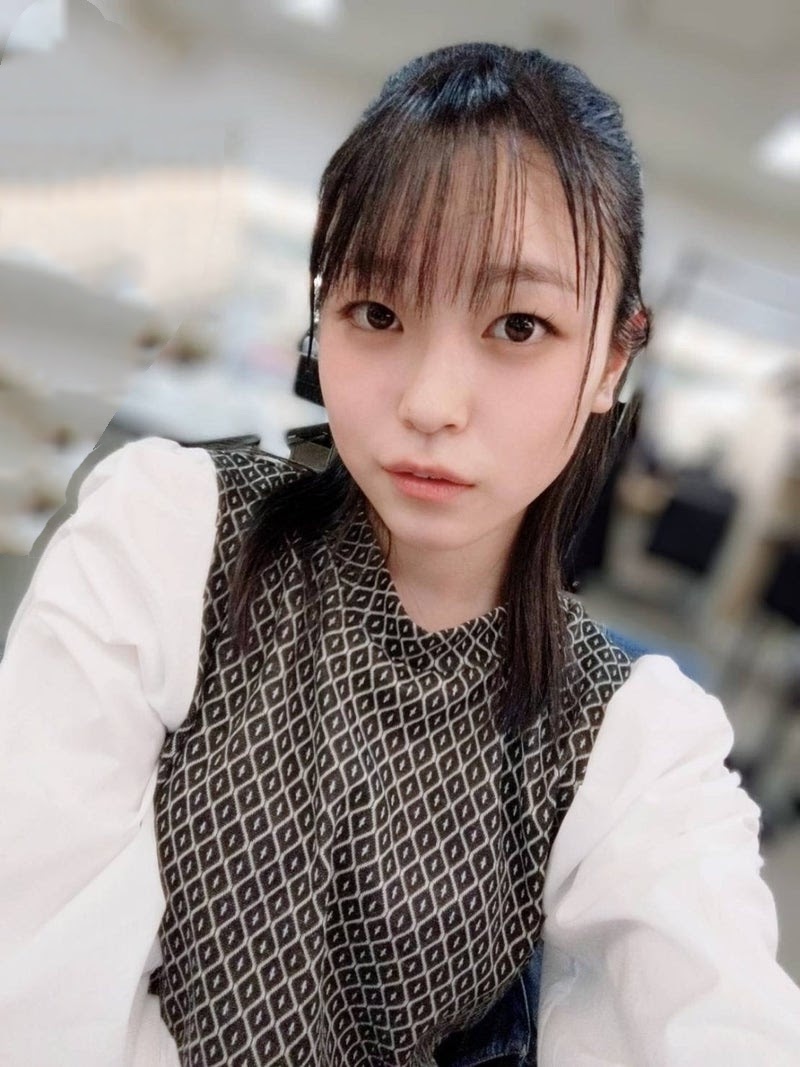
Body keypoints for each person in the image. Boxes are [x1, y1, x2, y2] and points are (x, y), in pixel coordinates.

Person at [1, 42, 799, 1067]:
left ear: (611, 357)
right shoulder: (171, 534)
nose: (429, 402)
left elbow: (714, 1009)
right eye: (377, 313)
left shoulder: (626, 738)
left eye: (519, 325)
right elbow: (27, 956)